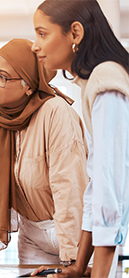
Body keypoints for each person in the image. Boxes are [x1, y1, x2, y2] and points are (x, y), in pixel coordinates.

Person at [0, 39, 88, 267]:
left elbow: (69, 187)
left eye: (3, 77)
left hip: (76, 233)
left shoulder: (55, 112)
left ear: (29, 84)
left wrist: (73, 257)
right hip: (33, 235)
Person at [31, 0, 129, 277]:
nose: (34, 45)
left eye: (42, 33)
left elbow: (110, 189)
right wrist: (78, 266)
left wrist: (98, 274)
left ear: (75, 33)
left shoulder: (106, 79)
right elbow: (97, 185)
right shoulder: (94, 81)